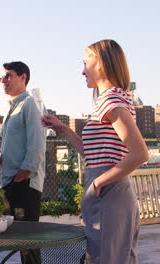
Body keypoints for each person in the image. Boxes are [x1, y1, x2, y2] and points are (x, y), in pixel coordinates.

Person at [42, 39, 149, 263]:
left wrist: (99, 182)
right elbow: (92, 153)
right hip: (106, 193)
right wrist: (63, 130)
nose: (82, 71)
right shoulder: (107, 100)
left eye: (85, 63)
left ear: (100, 63)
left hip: (109, 195)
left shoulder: (112, 100)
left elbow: (140, 153)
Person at [0, 61, 46, 264]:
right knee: (20, 242)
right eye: (1, 77)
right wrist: (1, 158)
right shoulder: (13, 108)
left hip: (24, 184)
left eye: (8, 75)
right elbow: (18, 145)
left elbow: (37, 142)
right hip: (11, 181)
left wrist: (25, 172)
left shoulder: (29, 104)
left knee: (28, 242)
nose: (3, 80)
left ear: (23, 77)